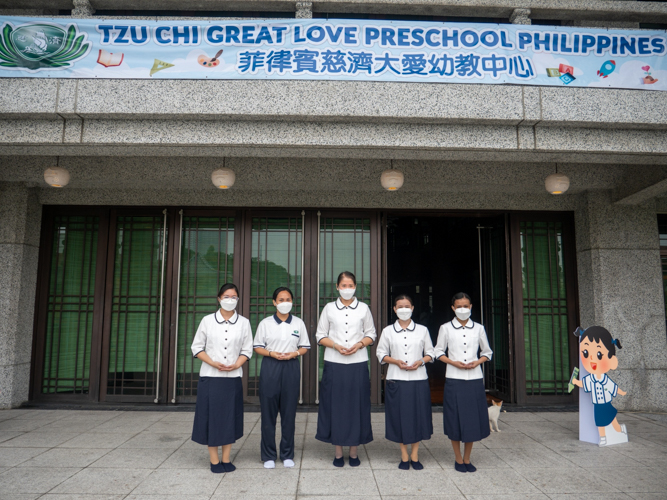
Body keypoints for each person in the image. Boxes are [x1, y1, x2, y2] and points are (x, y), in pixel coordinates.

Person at [315, 271, 377, 467]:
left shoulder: (364, 308)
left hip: (358, 363)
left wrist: (359, 345)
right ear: (337, 287)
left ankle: (354, 451)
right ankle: (338, 452)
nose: (347, 289)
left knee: (357, 405)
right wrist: (336, 346)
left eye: (351, 285)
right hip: (334, 363)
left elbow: (371, 334)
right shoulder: (329, 308)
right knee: (336, 406)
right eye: (344, 285)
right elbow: (319, 335)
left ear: (355, 287)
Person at [191, 283, 252, 473]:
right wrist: (212, 363)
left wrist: (237, 364)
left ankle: (226, 459)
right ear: (219, 298)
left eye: (234, 297)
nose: (230, 300)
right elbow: (196, 347)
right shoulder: (207, 321)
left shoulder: (244, 322)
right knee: (212, 418)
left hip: (233, 378)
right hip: (210, 377)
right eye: (226, 296)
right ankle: (214, 460)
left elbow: (247, 349)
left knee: (229, 418)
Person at [434, 292, 492, 473]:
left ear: (471, 307)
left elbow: (487, 352)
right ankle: (458, 458)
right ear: (453, 308)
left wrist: (477, 362)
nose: (462, 309)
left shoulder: (479, 328)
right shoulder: (446, 328)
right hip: (454, 379)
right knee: (455, 419)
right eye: (459, 306)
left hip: (474, 379)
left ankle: (468, 458)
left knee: (472, 420)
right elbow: (438, 352)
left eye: (465, 306)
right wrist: (453, 362)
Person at [254, 287, 311, 468]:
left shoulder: (298, 323)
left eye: (288, 299)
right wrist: (271, 353)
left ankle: (287, 454)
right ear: (274, 302)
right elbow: (257, 347)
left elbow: (305, 347)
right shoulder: (265, 323)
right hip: (271, 366)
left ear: (292, 302)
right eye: (280, 299)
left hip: (291, 366)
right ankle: (268, 455)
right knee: (268, 413)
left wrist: (293, 353)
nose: (284, 302)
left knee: (289, 413)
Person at [376, 294, 434, 470]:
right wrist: (395, 361)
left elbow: (431, 353)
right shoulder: (388, 331)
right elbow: (380, 354)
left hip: (418, 380)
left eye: (407, 306)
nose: (403, 309)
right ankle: (403, 455)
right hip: (396, 380)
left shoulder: (422, 330)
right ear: (394, 309)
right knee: (399, 418)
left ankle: (415, 455)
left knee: (418, 417)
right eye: (400, 306)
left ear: (413, 308)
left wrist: (420, 361)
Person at [571, 325, 627, 446]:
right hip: (597, 405)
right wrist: (576, 382)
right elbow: (584, 384)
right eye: (585, 353)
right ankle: (603, 437)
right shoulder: (590, 378)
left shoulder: (604, 378)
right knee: (600, 422)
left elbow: (613, 386)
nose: (591, 358)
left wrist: (621, 392)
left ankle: (619, 431)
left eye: (599, 355)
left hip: (606, 403)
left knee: (612, 419)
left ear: (611, 360)